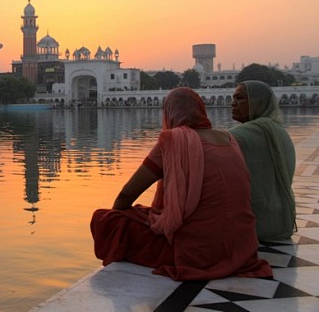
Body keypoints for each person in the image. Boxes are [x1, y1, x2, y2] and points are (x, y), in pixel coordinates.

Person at [90, 87, 271, 281]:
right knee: (151, 214)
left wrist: (118, 216)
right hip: (241, 247)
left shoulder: (173, 140)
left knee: (104, 219)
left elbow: (126, 195)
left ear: (169, 113)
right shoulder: (229, 138)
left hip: (197, 252)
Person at [229, 80, 296, 242]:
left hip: (254, 224)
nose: (233, 103)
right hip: (282, 221)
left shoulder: (241, 136)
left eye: (240, 98)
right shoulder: (279, 131)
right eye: (234, 98)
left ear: (257, 102)